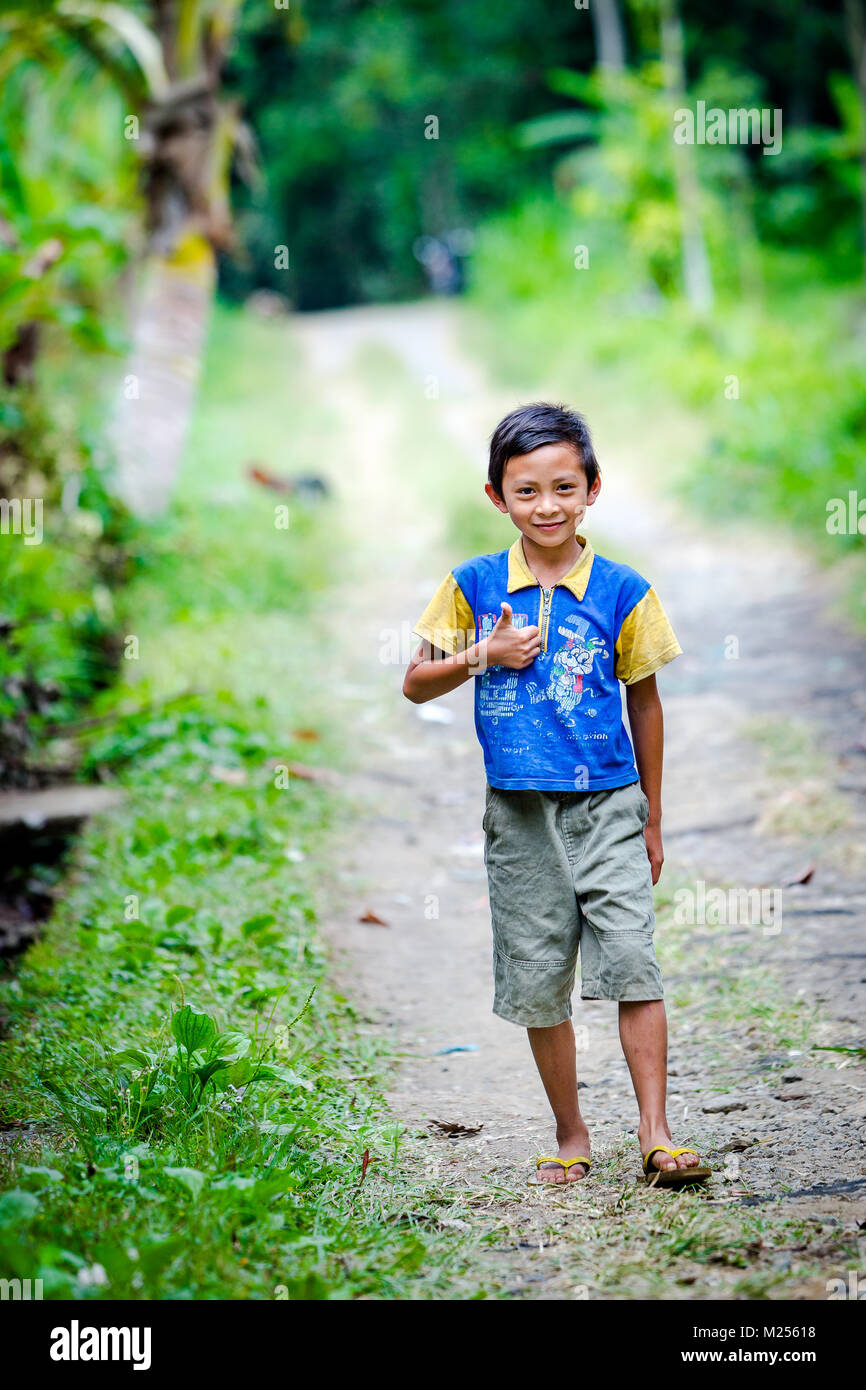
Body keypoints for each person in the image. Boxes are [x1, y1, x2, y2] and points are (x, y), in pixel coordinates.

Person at [402, 401, 710, 1187]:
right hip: (520, 815)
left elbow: (645, 699)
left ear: (594, 490)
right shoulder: (471, 586)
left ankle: (656, 1132)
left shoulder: (622, 589)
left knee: (634, 963)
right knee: (541, 978)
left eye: (564, 488)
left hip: (609, 803)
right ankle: (571, 1136)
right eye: (528, 491)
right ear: (496, 497)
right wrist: (484, 653)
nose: (548, 507)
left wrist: (654, 816)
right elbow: (413, 683)